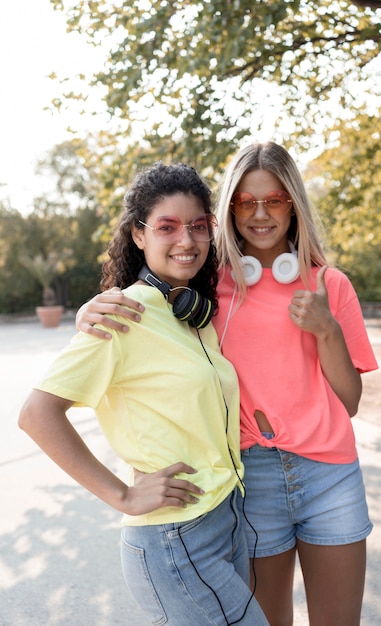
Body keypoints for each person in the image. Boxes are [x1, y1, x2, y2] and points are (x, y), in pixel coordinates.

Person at [76, 142, 378, 626]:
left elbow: (351, 402)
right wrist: (89, 308)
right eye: (246, 201)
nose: (261, 213)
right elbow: (147, 298)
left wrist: (327, 330)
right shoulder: (205, 288)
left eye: (275, 199)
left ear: (293, 204)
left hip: (331, 476)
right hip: (251, 479)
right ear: (230, 208)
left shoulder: (331, 285)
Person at [18, 162, 270, 626]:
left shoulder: (192, 314)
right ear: (138, 235)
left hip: (226, 519)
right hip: (176, 538)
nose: (187, 241)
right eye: (167, 227)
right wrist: (123, 496)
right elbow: (37, 414)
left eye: (198, 226)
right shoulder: (123, 316)